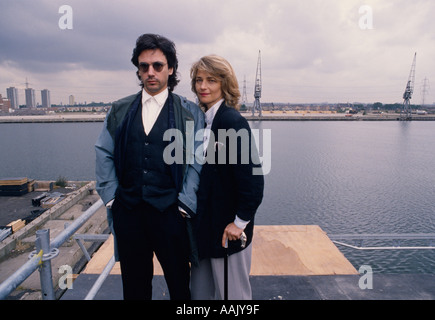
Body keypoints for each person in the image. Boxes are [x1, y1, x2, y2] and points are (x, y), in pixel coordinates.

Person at [94, 34, 204, 300]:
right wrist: (111, 199)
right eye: (144, 66)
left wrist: (184, 203)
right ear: (138, 70)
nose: (150, 72)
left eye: (157, 65)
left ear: (171, 68)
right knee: (134, 289)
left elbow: (199, 159)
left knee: (179, 287)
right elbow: (103, 152)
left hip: (170, 214)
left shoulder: (189, 112)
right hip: (129, 213)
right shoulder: (119, 110)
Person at [189, 55, 264, 300]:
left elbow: (253, 180)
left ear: (224, 84)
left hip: (226, 233)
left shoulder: (231, 121)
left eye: (211, 80)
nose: (203, 86)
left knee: (233, 298)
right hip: (205, 231)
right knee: (201, 295)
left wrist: (239, 223)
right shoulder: (205, 120)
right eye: (199, 80)